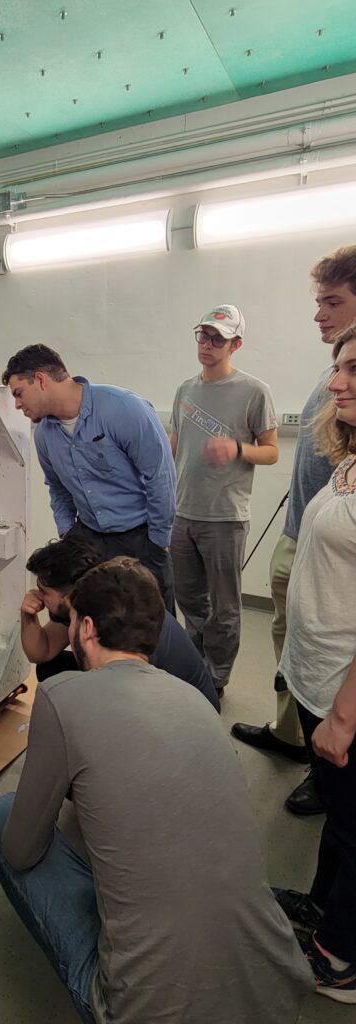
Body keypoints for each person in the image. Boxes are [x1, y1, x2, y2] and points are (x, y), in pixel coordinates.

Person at [0, 559, 311, 1024]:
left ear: (88, 629)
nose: (68, 626)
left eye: (71, 618)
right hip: (275, 990)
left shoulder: (62, 697)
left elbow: (20, 851)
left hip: (146, 1010)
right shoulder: (196, 703)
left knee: (3, 816)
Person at [233, 246, 356, 815]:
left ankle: (326, 758)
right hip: (300, 535)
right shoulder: (335, 366)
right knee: (291, 645)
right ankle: (292, 735)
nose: (318, 314)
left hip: (334, 549)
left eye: (332, 301)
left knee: (329, 655)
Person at [272, 325, 356, 1003]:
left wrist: (345, 718)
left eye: (354, 368)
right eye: (338, 367)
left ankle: (340, 962)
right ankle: (322, 909)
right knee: (338, 813)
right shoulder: (349, 456)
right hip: (315, 672)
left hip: (344, 693)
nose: (335, 382)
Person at [2, 344, 176, 611]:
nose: (17, 404)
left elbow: (160, 477)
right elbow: (57, 489)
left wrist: (158, 542)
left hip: (141, 540)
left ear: (40, 379)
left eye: (19, 393)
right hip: (88, 537)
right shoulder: (45, 435)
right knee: (93, 621)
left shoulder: (124, 409)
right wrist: (69, 534)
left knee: (152, 625)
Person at [169, 305, 278, 698]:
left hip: (225, 517)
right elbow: (175, 447)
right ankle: (195, 664)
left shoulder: (253, 391)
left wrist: (236, 448)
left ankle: (217, 677)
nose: (207, 344)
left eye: (218, 338)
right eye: (203, 335)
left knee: (225, 606)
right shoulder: (185, 390)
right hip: (183, 513)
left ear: (236, 344)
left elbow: (271, 452)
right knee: (189, 600)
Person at [21, 536, 219, 710]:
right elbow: (41, 652)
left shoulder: (120, 621)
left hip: (186, 709)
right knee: (51, 669)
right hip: (153, 688)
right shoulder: (90, 602)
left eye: (44, 592)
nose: (38, 597)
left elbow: (126, 694)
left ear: (68, 596)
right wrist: (28, 615)